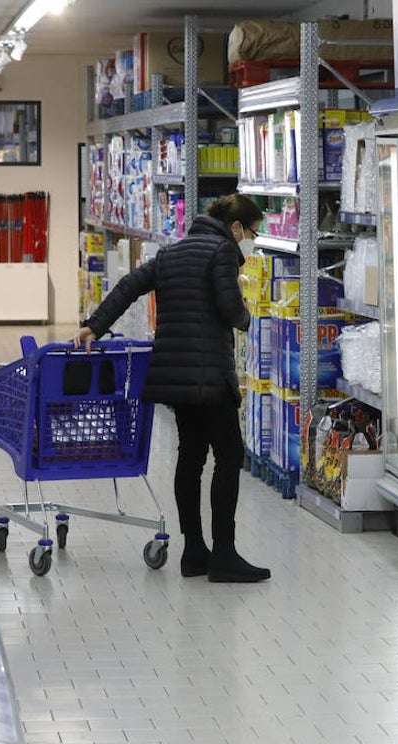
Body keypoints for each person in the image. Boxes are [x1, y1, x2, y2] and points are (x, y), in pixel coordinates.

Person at [73, 194, 270, 583]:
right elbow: (230, 309)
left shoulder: (171, 252)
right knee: (229, 456)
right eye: (251, 233)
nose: (250, 240)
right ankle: (225, 554)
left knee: (191, 457)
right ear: (235, 228)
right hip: (209, 374)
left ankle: (194, 552)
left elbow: (129, 285)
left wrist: (95, 324)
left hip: (175, 376)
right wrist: (248, 317)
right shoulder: (222, 252)